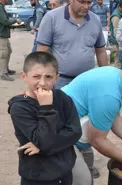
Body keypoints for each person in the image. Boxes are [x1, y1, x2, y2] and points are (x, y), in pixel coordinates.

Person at [62, 62, 122, 185]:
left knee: (87, 166)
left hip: (74, 126)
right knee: (83, 180)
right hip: (59, 133)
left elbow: (113, 116)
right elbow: (97, 140)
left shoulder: (115, 75)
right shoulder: (109, 95)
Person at [8, 52, 82, 185]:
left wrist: (41, 147)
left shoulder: (62, 98)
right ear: (24, 76)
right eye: (36, 76)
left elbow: (75, 132)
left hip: (64, 169)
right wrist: (46, 107)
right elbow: (44, 140)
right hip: (38, 175)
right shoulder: (19, 108)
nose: (42, 83)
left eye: (48, 77)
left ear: (56, 78)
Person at [36, 0, 108, 89]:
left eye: (89, 3)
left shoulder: (95, 20)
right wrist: (42, 81)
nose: (86, 6)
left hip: (88, 81)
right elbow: (42, 52)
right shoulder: (52, 18)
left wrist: (105, 78)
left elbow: (101, 52)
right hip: (60, 82)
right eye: (82, 2)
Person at [0, 0, 21, 81]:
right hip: (1, 35)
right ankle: (3, 73)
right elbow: (5, 21)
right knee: (3, 54)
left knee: (8, 51)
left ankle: (5, 69)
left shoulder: (2, 7)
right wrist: (15, 20)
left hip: (4, 34)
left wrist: (12, 25)